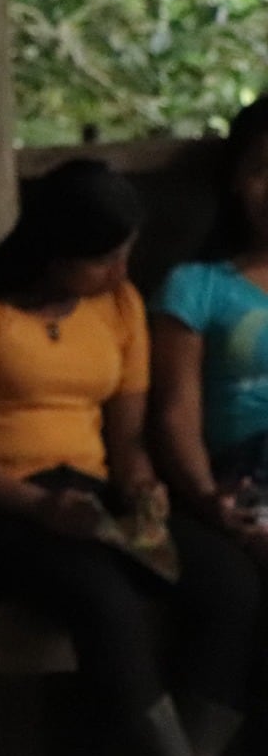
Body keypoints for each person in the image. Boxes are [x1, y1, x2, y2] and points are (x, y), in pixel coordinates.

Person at [0, 158, 264, 756]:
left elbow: (129, 439)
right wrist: (40, 506)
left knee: (229, 584)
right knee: (102, 598)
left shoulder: (120, 306)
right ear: (53, 252)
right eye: (102, 258)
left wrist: (142, 490)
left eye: (124, 254)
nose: (118, 270)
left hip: (88, 496)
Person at [152, 96, 268, 556]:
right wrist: (206, 498)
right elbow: (174, 412)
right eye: (263, 169)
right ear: (237, 180)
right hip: (249, 472)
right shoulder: (195, 287)